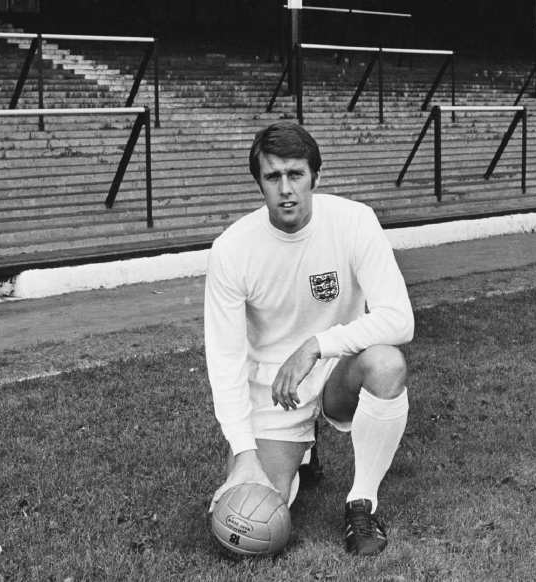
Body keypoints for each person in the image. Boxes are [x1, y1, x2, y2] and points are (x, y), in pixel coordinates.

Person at [204, 120, 414, 556]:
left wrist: (316, 345)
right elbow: (225, 361)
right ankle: (299, 452)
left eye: (296, 174)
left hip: (337, 371)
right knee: (251, 516)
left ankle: (361, 502)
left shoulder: (355, 222)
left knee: (386, 362)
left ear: (316, 176)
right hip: (275, 389)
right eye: (273, 176)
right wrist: (244, 452)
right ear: (259, 183)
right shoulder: (232, 250)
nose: (286, 189)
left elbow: (400, 320)